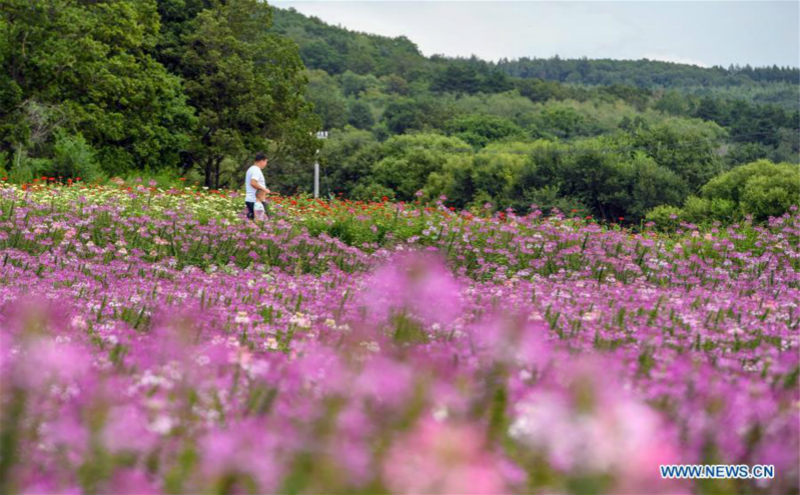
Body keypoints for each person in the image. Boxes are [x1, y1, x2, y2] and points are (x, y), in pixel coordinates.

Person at [244, 153, 270, 220]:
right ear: (262, 161)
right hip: (256, 201)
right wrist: (264, 189)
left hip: (250, 199)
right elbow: (253, 183)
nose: (266, 164)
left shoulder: (250, 169)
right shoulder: (256, 170)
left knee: (252, 221)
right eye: (266, 162)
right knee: (263, 222)